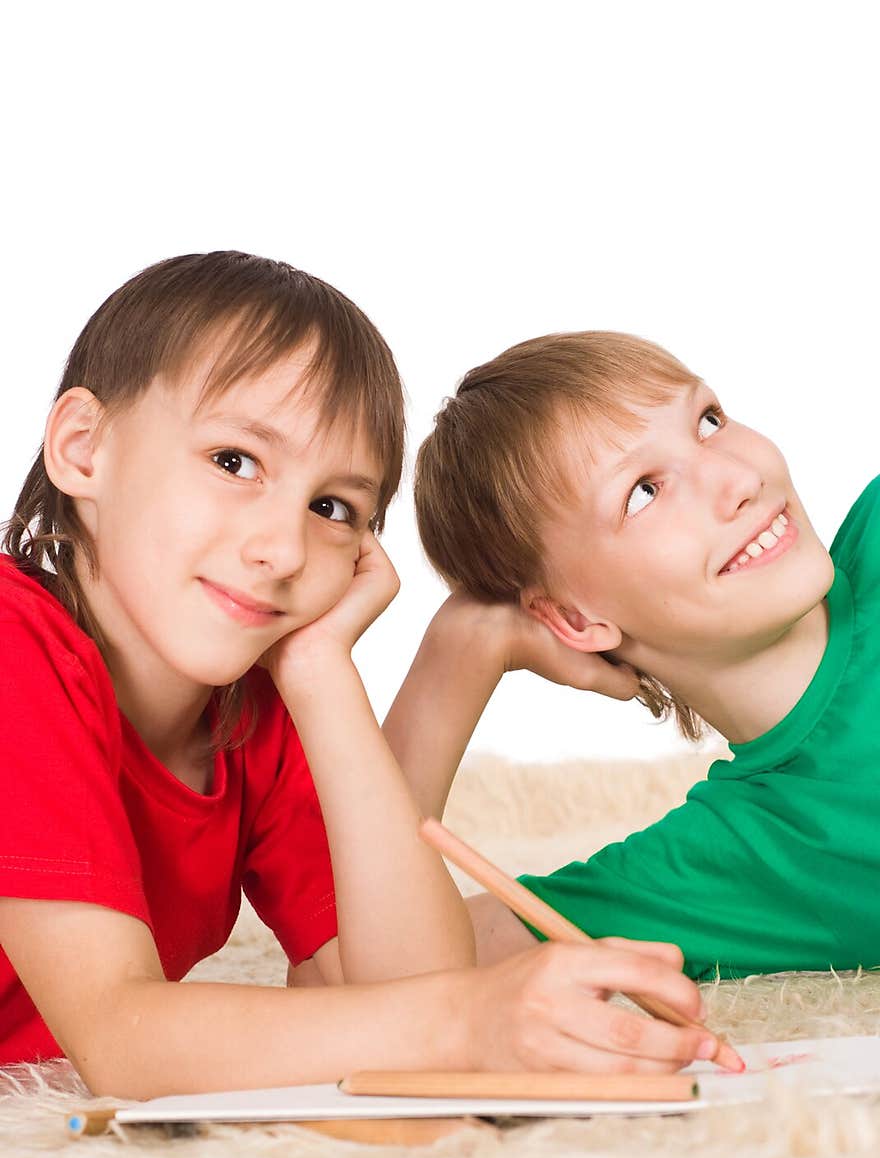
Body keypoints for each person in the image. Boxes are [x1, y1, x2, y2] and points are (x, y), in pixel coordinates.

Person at [0, 263, 714, 1098]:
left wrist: (322, 668)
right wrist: (470, 1017)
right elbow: (120, 1039)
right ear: (84, 448)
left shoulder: (255, 709)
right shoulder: (17, 648)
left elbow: (399, 980)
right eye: (235, 460)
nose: (286, 549)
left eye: (334, 508)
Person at [385, 330, 878, 980]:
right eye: (644, 490)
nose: (739, 477)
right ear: (573, 619)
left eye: (707, 421)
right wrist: (457, 652)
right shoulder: (728, 863)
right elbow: (363, 969)